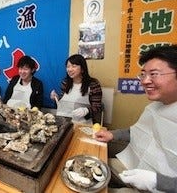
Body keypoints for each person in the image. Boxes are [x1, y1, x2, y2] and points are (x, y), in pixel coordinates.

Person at [95, 45, 177, 192]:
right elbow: (138, 131)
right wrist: (112, 134)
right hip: (136, 166)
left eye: (154, 74)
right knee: (96, 167)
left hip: (162, 187)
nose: (145, 81)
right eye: (143, 74)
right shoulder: (156, 106)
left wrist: (156, 181)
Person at [50, 54, 102, 124]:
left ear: (82, 69)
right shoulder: (65, 82)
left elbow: (97, 107)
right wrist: (56, 98)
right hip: (63, 122)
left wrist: (86, 110)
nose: (70, 69)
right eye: (68, 66)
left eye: (74, 66)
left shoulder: (93, 84)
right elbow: (63, 104)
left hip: (82, 124)